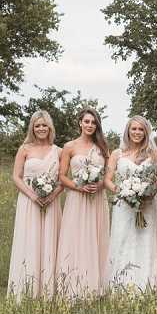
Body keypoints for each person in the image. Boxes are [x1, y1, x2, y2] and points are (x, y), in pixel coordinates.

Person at [7, 110, 63, 301]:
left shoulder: (58, 151)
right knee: (29, 240)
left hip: (51, 202)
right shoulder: (25, 149)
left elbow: (63, 180)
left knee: (49, 240)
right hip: (29, 202)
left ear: (50, 128)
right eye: (37, 125)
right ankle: (26, 289)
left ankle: (48, 292)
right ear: (32, 127)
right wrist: (32, 195)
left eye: (44, 125)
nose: (41, 129)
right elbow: (16, 176)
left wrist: (51, 195)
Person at [56, 107, 110, 297]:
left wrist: (100, 185)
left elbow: (108, 177)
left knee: (96, 238)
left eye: (93, 122)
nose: (90, 125)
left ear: (97, 125)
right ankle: (72, 285)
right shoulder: (69, 146)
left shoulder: (103, 147)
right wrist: (79, 187)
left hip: (96, 199)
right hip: (77, 199)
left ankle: (96, 286)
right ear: (80, 123)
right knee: (76, 238)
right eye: (86, 121)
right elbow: (62, 176)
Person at [104, 116, 157, 290]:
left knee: (145, 240)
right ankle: (120, 283)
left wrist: (148, 195)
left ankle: (146, 283)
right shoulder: (117, 154)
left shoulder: (151, 154)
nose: (137, 132)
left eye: (140, 129)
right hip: (124, 206)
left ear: (146, 132)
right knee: (123, 240)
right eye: (133, 129)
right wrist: (122, 192)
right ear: (127, 131)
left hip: (147, 205)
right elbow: (107, 179)